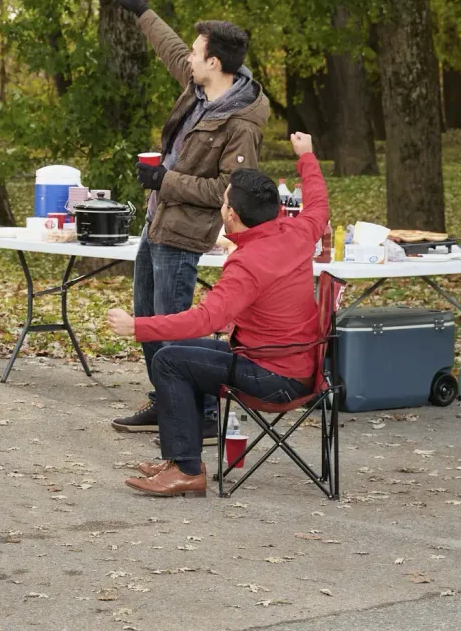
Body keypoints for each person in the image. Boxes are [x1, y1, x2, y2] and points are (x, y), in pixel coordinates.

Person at [104, 132, 328, 497]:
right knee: (180, 354)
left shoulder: (247, 263)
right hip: (294, 364)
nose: (222, 206)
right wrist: (306, 156)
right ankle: (181, 458)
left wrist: (137, 326)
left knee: (169, 361)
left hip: (272, 376)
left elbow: (204, 319)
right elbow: (318, 205)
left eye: (223, 201)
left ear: (231, 215)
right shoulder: (297, 231)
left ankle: (186, 470)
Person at [109, 0, 268, 436]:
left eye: (199, 53)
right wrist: (142, 12)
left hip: (184, 232)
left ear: (214, 63)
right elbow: (173, 50)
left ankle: (203, 415)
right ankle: (167, 401)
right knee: (147, 319)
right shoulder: (199, 89)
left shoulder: (241, 123)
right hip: (157, 220)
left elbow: (230, 189)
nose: (191, 59)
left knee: (175, 327)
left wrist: (166, 180)